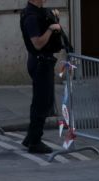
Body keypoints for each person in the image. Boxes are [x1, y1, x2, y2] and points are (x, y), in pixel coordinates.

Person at [19, 0, 64, 154]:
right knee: (42, 103)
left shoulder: (40, 12)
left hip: (43, 62)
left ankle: (31, 137)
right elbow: (37, 43)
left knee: (44, 101)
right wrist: (51, 29)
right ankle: (35, 142)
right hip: (40, 63)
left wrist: (54, 18)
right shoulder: (31, 17)